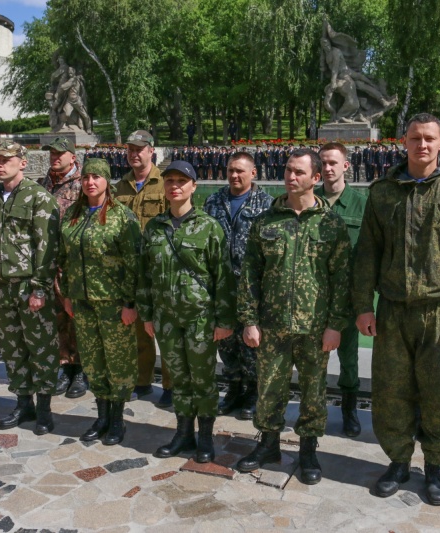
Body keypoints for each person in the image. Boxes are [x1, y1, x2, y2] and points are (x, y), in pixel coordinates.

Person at [352, 113, 440, 505]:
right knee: (391, 391)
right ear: (404, 142)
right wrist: (363, 306)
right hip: (393, 310)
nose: (422, 145)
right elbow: (367, 255)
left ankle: (435, 465)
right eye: (415, 139)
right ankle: (398, 461)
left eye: (430, 139)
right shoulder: (383, 192)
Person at [235, 148, 351, 485]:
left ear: (316, 178)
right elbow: (249, 275)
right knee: (269, 388)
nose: (290, 177)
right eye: (287, 170)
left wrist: (334, 326)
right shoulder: (266, 221)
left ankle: (308, 450)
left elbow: (342, 279)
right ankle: (268, 444)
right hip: (271, 326)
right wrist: (249, 320)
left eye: (299, 172)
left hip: (315, 328)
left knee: (314, 392)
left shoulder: (331, 224)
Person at [138, 160, 235, 463]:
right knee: (178, 379)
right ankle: (183, 433)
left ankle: (205, 436)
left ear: (194, 186)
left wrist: (224, 320)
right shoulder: (155, 227)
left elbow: (223, 276)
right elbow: (144, 274)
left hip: (200, 320)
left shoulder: (209, 227)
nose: (175, 186)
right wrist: (147, 314)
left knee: (203, 380)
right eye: (169, 181)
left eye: (182, 180)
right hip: (166, 319)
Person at [0, 141, 61, 435]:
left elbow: (47, 248)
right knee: (12, 350)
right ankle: (23, 402)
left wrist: (40, 289)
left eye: (7, 159)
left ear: (23, 163)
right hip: (1, 288)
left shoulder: (39, 197)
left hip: (29, 287)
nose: (0, 164)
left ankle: (44, 409)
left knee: (41, 348)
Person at [58, 158, 142, 445]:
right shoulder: (74, 213)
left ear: (107, 181)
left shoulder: (122, 217)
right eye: (86, 177)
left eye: (97, 177)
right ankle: (102, 415)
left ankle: (117, 420)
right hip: (82, 303)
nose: (90, 182)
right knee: (93, 362)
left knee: (118, 363)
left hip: (113, 304)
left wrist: (131, 303)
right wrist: (67, 295)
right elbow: (65, 259)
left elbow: (134, 265)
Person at [203, 152, 273, 420]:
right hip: (222, 288)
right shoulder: (213, 202)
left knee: (252, 346)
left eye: (240, 171)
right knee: (227, 344)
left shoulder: (266, 204)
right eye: (231, 170)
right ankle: (233, 390)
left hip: (253, 290)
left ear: (253, 173)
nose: (234, 175)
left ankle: (253, 394)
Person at [113, 130, 173, 407]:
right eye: (130, 150)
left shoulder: (164, 183)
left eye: (140, 149)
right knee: (138, 329)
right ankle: (143, 380)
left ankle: (172, 386)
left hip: (158, 267)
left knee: (165, 330)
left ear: (152, 151)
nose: (134, 154)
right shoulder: (120, 186)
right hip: (129, 269)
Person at [314, 142, 366, 437]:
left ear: (346, 166)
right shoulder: (309, 200)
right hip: (314, 297)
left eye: (333, 163)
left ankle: (349, 409)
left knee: (349, 359)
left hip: (348, 299)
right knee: (314, 359)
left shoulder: (361, 203)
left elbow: (370, 254)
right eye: (323, 163)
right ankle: (315, 408)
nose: (328, 168)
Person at [38, 138, 87, 399]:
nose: (54, 157)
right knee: (57, 319)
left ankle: (80, 370)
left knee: (76, 318)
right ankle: (64, 367)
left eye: (60, 153)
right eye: (51, 153)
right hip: (48, 263)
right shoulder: (42, 184)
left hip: (74, 265)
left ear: (72, 155)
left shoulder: (85, 185)